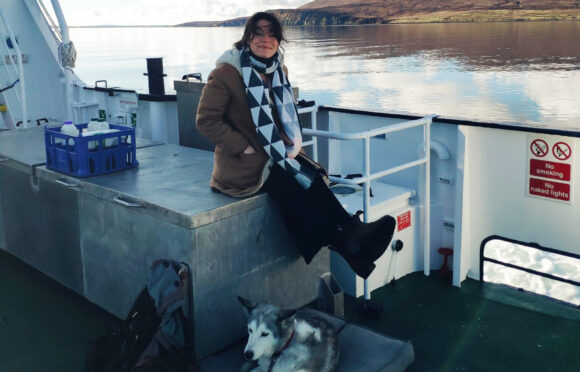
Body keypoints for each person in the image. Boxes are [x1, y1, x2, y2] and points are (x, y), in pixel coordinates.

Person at [196, 12, 395, 279]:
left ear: (279, 40)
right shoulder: (227, 73)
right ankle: (350, 245)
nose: (265, 39)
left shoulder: (279, 71)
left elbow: (278, 117)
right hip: (243, 164)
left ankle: (351, 239)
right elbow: (206, 121)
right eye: (258, 33)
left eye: (271, 34)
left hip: (276, 152)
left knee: (314, 178)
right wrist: (243, 147)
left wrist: (286, 137)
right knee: (294, 187)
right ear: (247, 37)